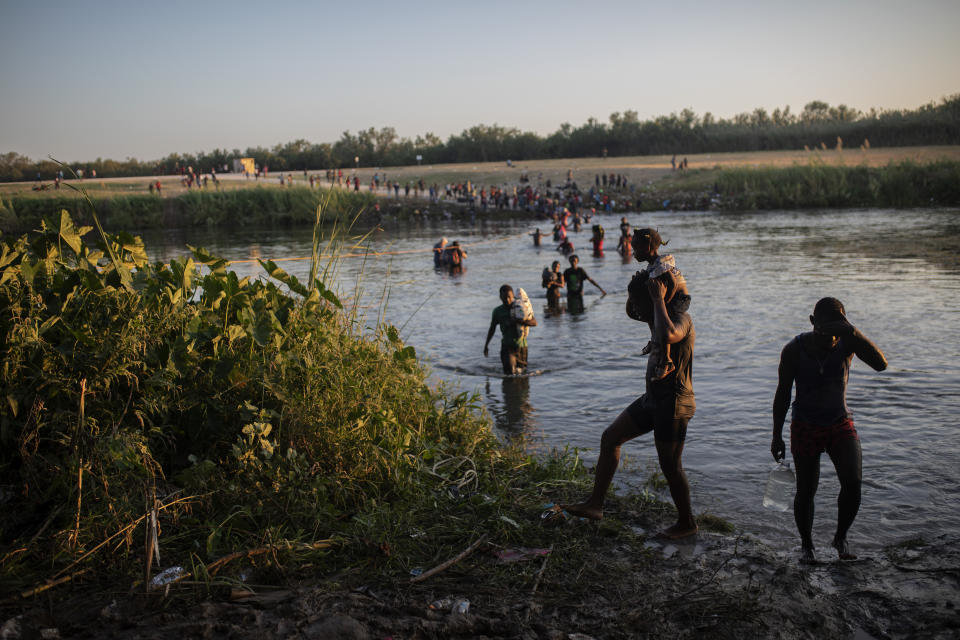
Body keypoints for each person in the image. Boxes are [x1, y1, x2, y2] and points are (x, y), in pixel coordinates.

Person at [564, 270, 697, 538]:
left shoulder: (679, 318)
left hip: (674, 403)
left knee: (671, 466)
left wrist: (659, 298)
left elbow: (670, 334)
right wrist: (641, 291)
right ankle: (595, 505)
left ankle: (687, 524)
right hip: (653, 399)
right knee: (611, 437)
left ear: (656, 299)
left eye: (639, 300)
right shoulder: (652, 317)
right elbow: (632, 312)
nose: (634, 307)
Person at [771, 297, 887, 563]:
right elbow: (782, 394)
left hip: (839, 422)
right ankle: (807, 546)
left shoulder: (848, 342)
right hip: (805, 425)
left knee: (853, 484)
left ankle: (840, 537)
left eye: (836, 331)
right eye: (825, 331)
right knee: (806, 490)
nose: (830, 338)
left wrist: (854, 332)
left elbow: (881, 365)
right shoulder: (794, 349)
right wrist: (776, 434)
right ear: (813, 323)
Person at [632, 229, 691, 379]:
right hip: (669, 297)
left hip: (679, 298)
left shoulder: (661, 263)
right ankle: (654, 339)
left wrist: (663, 303)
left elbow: (671, 284)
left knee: (659, 316)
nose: (633, 253)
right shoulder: (652, 266)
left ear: (647, 247)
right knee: (653, 314)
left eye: (635, 249)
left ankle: (667, 360)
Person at [484, 285, 538, 375]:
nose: (507, 300)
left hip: (522, 347)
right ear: (500, 297)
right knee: (510, 372)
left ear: (513, 296)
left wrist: (517, 321)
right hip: (507, 346)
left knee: (522, 376)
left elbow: (534, 322)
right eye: (504, 297)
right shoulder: (498, 311)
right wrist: (486, 345)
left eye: (509, 297)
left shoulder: (520, 308)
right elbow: (492, 329)